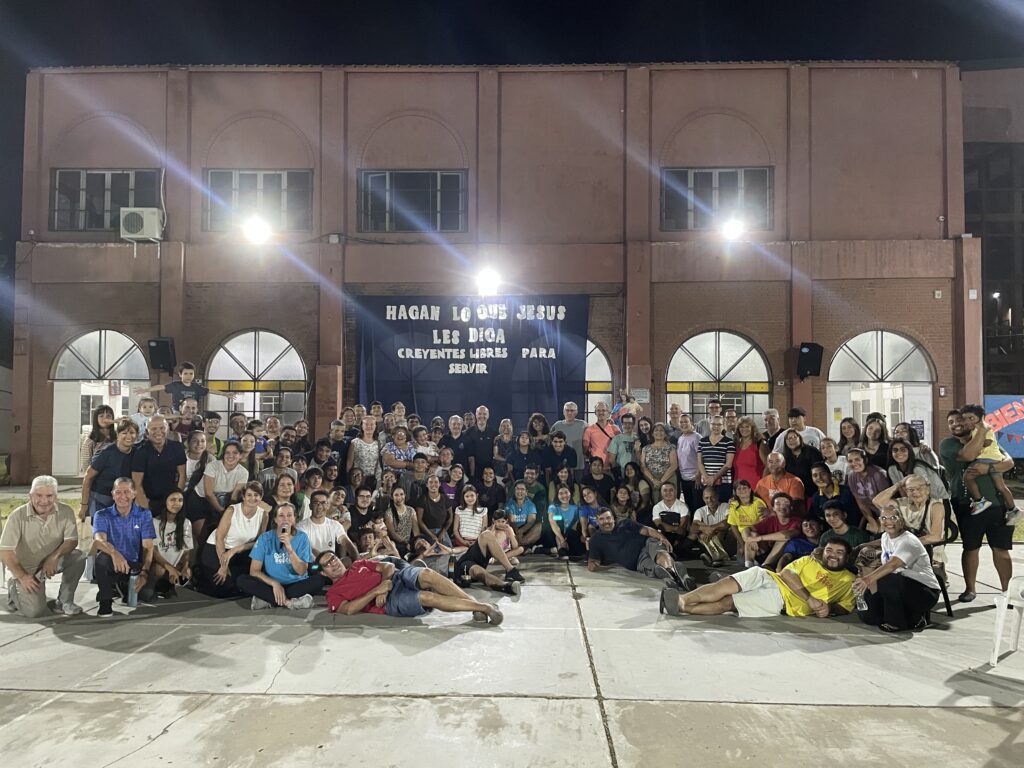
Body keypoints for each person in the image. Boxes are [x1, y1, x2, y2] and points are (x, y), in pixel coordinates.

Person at [662, 539, 855, 619]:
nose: (832, 555)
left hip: (782, 602)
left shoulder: (848, 581)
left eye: (839, 552)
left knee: (728, 604)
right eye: (829, 550)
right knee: (724, 585)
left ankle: (681, 607)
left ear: (847, 557)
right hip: (769, 576)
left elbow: (845, 606)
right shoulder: (808, 560)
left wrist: (829, 609)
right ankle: (681, 600)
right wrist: (810, 599)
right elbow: (787, 574)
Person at [322, 551, 504, 624]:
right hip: (388, 602)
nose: (333, 563)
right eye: (327, 564)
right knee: (426, 597)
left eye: (333, 558)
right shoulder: (333, 593)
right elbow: (348, 609)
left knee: (427, 574)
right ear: (324, 573)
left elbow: (388, 566)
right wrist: (376, 592)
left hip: (395, 579)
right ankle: (483, 607)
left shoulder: (357, 564)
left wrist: (385, 585)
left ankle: (472, 603)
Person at [1, 475, 86, 618]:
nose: (44, 501)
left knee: (78, 557)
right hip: (27, 570)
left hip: (52, 563)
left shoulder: (66, 511)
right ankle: (15, 587)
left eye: (49, 495)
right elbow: (5, 551)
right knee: (36, 612)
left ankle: (64, 602)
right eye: (39, 495)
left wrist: (54, 557)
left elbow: (72, 541)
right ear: (30, 495)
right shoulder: (17, 516)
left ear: (56, 496)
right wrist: (22, 576)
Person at [853, 508, 940, 632]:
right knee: (868, 616)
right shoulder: (885, 537)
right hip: (899, 586)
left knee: (887, 578)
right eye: (884, 518)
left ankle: (898, 622)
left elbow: (893, 565)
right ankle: (909, 617)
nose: (888, 521)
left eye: (893, 518)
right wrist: (863, 546)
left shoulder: (908, 541)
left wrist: (867, 579)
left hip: (925, 592)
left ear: (901, 521)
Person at [236, 502, 324, 610]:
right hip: (271, 584)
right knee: (242, 580)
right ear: (276, 519)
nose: (285, 519)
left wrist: (289, 548)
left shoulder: (302, 537)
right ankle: (290, 602)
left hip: (296, 584)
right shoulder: (265, 538)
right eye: (281, 515)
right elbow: (254, 571)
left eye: (289, 515)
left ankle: (269, 600)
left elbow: (301, 571)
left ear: (294, 518)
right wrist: (275, 584)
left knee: (319, 580)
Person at [91, 478, 156, 617]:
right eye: (118, 492)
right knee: (102, 558)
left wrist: (144, 572)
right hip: (112, 562)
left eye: (127, 492)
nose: (122, 496)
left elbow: (148, 547)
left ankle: (120, 586)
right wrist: (115, 553)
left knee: (147, 594)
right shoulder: (101, 515)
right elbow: (98, 541)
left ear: (134, 494)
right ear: (113, 494)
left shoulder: (144, 514)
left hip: (134, 565)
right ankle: (105, 602)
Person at [587, 508, 691, 589]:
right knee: (655, 568)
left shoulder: (625, 523)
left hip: (647, 543)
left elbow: (647, 530)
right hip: (638, 562)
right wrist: (592, 563)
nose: (606, 521)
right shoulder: (596, 540)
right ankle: (677, 578)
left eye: (608, 518)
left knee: (660, 553)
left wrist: (662, 537)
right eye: (601, 519)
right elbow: (593, 562)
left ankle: (672, 572)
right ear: (597, 521)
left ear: (613, 518)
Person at [198, 480, 269, 598]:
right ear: (243, 496)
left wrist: (236, 549)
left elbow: (259, 542)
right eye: (249, 495)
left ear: (261, 497)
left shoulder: (264, 514)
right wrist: (224, 565)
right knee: (223, 582)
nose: (253, 498)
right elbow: (219, 538)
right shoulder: (232, 510)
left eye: (256, 495)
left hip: (240, 551)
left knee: (242, 584)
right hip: (217, 548)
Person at [959, 404, 1016, 514]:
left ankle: (979, 501)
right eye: (964, 419)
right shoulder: (977, 429)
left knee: (967, 477)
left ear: (980, 418)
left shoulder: (984, 428)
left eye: (971, 418)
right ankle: (1012, 509)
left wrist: (975, 445)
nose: (967, 422)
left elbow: (987, 442)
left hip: (986, 459)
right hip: (995, 458)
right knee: (1000, 486)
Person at [452, 510, 525, 595]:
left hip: (475, 558)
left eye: (503, 521)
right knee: (479, 572)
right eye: (498, 521)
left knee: (486, 535)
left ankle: (510, 569)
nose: (501, 523)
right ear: (494, 521)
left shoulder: (505, 530)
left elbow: (515, 546)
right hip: (468, 566)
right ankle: (506, 586)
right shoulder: (467, 570)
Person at [80, 417, 138, 523]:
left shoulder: (137, 452)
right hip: (101, 499)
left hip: (123, 499)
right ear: (118, 434)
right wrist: (84, 505)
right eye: (124, 433)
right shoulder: (106, 452)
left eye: (132, 433)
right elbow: (88, 477)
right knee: (100, 533)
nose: (129, 436)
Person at [130, 415, 187, 517]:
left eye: (162, 428)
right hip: (148, 500)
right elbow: (137, 483)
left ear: (168, 430)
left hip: (171, 499)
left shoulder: (177, 447)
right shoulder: (141, 451)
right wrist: (146, 509)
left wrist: (176, 500)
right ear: (147, 433)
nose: (158, 432)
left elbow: (182, 476)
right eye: (154, 429)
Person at [142, 489, 192, 600]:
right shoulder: (154, 522)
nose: (177, 503)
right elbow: (153, 551)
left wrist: (185, 566)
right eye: (173, 500)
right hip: (158, 565)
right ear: (165, 501)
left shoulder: (186, 523)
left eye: (180, 500)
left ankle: (168, 586)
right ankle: (150, 587)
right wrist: (170, 568)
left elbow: (187, 550)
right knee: (159, 569)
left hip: (174, 564)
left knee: (187, 571)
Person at [741, 493, 802, 569]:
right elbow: (747, 529)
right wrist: (749, 538)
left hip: (785, 557)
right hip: (767, 552)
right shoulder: (771, 520)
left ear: (791, 507)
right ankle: (748, 567)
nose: (782, 506)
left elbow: (787, 535)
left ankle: (765, 567)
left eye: (786, 504)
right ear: (773, 508)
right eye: (778, 504)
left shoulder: (796, 521)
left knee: (782, 539)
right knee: (752, 534)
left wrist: (759, 538)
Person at [298, 490, 356, 559]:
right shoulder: (301, 527)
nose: (319, 506)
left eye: (323, 503)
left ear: (328, 506)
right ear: (310, 506)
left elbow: (346, 542)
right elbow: (309, 548)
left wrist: (357, 560)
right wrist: (326, 560)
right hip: (310, 566)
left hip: (331, 565)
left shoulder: (335, 525)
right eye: (316, 502)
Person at [134, 361, 214, 411]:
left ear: (194, 374)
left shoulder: (196, 387)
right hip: (177, 412)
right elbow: (161, 386)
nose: (188, 376)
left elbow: (208, 390)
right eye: (185, 373)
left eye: (191, 374)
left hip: (192, 412)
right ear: (180, 374)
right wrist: (145, 390)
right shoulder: (176, 385)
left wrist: (225, 394)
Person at [846, 447, 890, 532]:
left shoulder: (879, 474)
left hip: (885, 511)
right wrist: (871, 521)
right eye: (850, 461)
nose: (854, 463)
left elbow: (886, 502)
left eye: (857, 459)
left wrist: (881, 521)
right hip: (870, 513)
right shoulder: (851, 477)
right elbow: (861, 503)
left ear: (864, 460)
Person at [687, 485, 731, 566]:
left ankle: (709, 555)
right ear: (703, 498)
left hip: (725, 539)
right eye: (706, 498)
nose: (709, 500)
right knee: (700, 534)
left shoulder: (725, 506)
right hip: (708, 540)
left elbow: (728, 522)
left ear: (717, 496)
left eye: (712, 497)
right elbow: (693, 527)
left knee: (721, 531)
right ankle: (716, 558)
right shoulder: (700, 511)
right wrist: (705, 529)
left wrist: (712, 528)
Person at [807, 462, 861, 526]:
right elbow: (823, 521)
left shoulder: (847, 491)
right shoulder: (816, 498)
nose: (819, 478)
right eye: (815, 475)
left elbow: (861, 514)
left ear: (830, 474)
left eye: (823, 474)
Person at [726, 480, 769, 558]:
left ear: (750, 489)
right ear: (735, 492)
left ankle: (751, 561)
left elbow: (764, 525)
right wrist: (742, 545)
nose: (742, 490)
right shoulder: (733, 505)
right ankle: (753, 560)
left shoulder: (758, 503)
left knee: (750, 532)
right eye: (739, 489)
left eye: (745, 488)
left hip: (758, 533)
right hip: (743, 536)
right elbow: (733, 526)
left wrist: (750, 532)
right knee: (746, 531)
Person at [697, 416, 735, 504]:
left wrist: (714, 478)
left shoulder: (729, 442)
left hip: (724, 483)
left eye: (719, 424)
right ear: (710, 425)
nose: (716, 427)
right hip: (707, 482)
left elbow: (728, 464)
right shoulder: (702, 441)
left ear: (723, 426)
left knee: (723, 507)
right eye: (713, 424)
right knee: (709, 507)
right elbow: (700, 462)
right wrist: (706, 477)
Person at [640, 423, 678, 504]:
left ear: (665, 434)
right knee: (652, 504)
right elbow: (643, 466)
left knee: (668, 503)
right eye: (656, 430)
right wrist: (653, 480)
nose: (659, 432)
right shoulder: (645, 448)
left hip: (668, 478)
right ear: (652, 434)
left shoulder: (671, 447)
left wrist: (661, 481)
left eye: (661, 430)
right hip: (650, 479)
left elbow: (674, 465)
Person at [780, 428, 822, 502]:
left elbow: (819, 471)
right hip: (793, 493)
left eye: (794, 437)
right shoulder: (784, 457)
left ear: (800, 438)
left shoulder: (812, 451)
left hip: (812, 492)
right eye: (789, 438)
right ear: (785, 442)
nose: (792, 440)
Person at [651, 481, 690, 557]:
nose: (668, 493)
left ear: (675, 492)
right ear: (661, 493)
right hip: (663, 535)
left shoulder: (683, 506)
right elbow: (659, 525)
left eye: (671, 490)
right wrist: (675, 528)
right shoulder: (657, 507)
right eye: (665, 490)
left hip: (679, 537)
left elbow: (682, 529)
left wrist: (675, 542)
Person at [544, 484, 583, 558]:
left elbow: (575, 526)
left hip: (569, 535)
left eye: (566, 492)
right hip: (555, 534)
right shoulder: (553, 507)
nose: (564, 495)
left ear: (570, 494)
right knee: (558, 519)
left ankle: (561, 550)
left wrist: (567, 537)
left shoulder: (576, 508)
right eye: (561, 493)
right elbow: (552, 522)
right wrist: (562, 539)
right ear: (557, 495)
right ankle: (561, 549)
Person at [550, 402, 587, 479]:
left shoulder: (583, 425)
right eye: (567, 410)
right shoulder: (557, 425)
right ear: (563, 412)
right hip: (560, 467)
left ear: (576, 412)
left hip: (578, 465)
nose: (569, 413)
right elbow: (549, 440)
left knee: (577, 488)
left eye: (572, 410)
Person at [417, 473, 454, 548]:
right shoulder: (422, 499)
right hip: (427, 531)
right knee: (430, 551)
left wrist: (443, 532)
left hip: (441, 531)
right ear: (427, 485)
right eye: (431, 482)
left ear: (440, 484)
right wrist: (432, 535)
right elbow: (419, 521)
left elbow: (450, 518)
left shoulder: (445, 498)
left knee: (448, 551)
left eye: (436, 482)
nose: (433, 484)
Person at [675, 414, 702, 512]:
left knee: (697, 505)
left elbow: (701, 457)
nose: (683, 424)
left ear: (691, 423)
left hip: (695, 478)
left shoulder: (697, 437)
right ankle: (691, 526)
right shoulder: (680, 438)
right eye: (681, 422)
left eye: (686, 421)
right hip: (684, 477)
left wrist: (699, 474)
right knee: (688, 505)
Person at [732, 416, 768, 491]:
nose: (744, 429)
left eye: (747, 426)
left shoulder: (759, 444)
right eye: (741, 427)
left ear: (752, 428)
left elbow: (768, 465)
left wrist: (762, 484)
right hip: (738, 488)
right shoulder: (736, 445)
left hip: (755, 487)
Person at [384, 485, 420, 556]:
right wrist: (405, 543)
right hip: (397, 543)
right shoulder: (389, 512)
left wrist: (416, 542)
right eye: (396, 495)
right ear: (392, 497)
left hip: (410, 541)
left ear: (405, 495)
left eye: (401, 494)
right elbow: (392, 533)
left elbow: (416, 530)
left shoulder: (411, 510)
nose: (399, 497)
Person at [465, 405, 499, 481]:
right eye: (480, 413)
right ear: (476, 415)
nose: (482, 416)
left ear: (488, 415)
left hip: (489, 471)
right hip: (473, 471)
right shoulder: (468, 432)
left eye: (484, 414)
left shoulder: (494, 433)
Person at [80, 404, 116, 475]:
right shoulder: (90, 441)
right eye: (101, 416)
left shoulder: (118, 438)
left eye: (108, 416)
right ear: (96, 419)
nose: (105, 419)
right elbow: (85, 464)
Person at [347, 416, 382, 489]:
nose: (369, 426)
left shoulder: (378, 443)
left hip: (373, 480)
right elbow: (349, 465)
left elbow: (379, 463)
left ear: (375, 426)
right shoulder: (355, 442)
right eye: (366, 424)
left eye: (372, 424)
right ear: (362, 426)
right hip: (358, 480)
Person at [583, 401, 619, 470]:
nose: (601, 412)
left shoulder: (615, 428)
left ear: (608, 412)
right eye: (598, 410)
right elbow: (585, 448)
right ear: (595, 412)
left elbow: (620, 445)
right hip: (596, 467)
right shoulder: (589, 430)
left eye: (603, 410)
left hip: (612, 466)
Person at [505, 479, 541, 548]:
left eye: (522, 489)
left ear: (526, 492)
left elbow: (531, 521)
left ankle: (520, 545)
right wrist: (517, 532)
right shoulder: (510, 503)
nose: (519, 491)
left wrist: (521, 531)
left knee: (539, 527)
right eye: (517, 489)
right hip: (513, 530)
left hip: (525, 530)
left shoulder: (531, 505)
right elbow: (511, 521)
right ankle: (523, 547)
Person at [607, 412, 640, 476]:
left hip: (636, 473)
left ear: (633, 424)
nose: (627, 425)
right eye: (625, 423)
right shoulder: (617, 439)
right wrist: (617, 474)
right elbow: (611, 460)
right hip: (622, 473)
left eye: (630, 423)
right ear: (622, 424)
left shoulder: (638, 438)